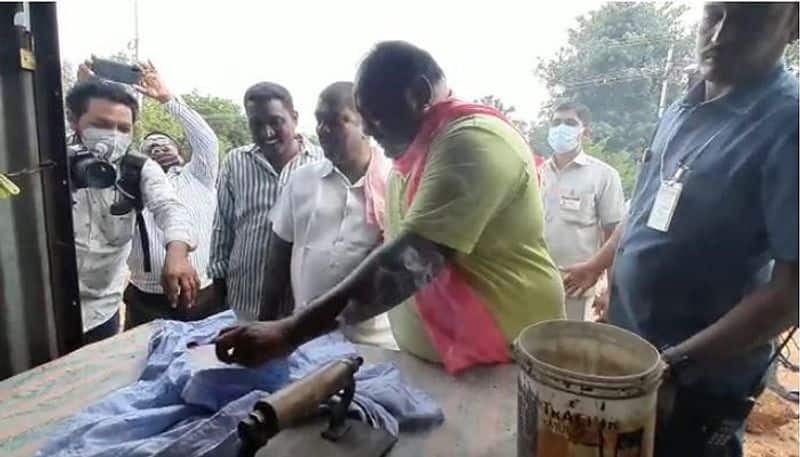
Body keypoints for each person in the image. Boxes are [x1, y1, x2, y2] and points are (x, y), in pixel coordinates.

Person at [214, 41, 564, 374]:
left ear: (421, 94)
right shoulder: (413, 159)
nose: (367, 127)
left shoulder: (472, 143)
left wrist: (291, 332)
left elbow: (410, 262)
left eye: (374, 113)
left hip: (501, 363)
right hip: (445, 363)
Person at [562, 3, 798, 455]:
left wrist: (676, 365)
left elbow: (792, 293)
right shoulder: (681, 108)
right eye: (715, 13)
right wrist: (608, 273)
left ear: (793, 26)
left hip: (694, 388)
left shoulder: (789, 125)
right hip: (629, 364)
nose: (722, 33)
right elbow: (644, 210)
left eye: (749, 17)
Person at [261, 81, 396, 349]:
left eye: (335, 121)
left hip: (377, 346)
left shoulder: (395, 183)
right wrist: (265, 323)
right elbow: (277, 259)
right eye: (319, 121)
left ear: (366, 125)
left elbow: (394, 268)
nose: (323, 131)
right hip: (305, 340)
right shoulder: (302, 180)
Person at [67, 79, 198, 343]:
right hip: (44, 309)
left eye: (123, 128)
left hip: (100, 313)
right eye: (101, 124)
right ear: (73, 121)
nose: (113, 136)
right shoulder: (45, 161)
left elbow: (171, 208)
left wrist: (177, 253)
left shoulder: (137, 169)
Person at [118, 62, 226, 328]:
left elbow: (207, 141)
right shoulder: (130, 181)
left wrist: (168, 99)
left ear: (179, 151)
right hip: (146, 300)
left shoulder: (199, 176)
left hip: (204, 295)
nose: (158, 147)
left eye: (165, 143)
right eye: (150, 146)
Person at [207, 82, 322, 321]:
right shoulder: (236, 162)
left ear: (294, 117)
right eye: (256, 124)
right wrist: (219, 290)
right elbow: (223, 226)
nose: (266, 132)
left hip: (304, 309)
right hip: (246, 299)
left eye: (275, 122)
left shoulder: (322, 163)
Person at [540, 102, 624, 321]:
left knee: (567, 349)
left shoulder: (604, 176)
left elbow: (614, 236)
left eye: (570, 123)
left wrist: (610, 291)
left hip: (576, 282)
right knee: (529, 345)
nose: (561, 128)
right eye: (556, 122)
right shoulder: (536, 172)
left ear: (585, 132)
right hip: (534, 279)